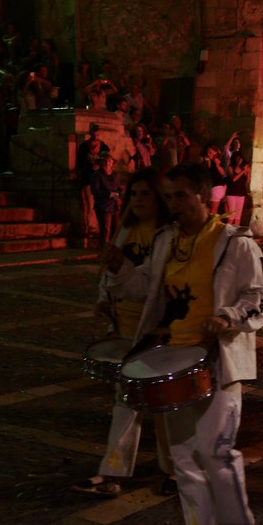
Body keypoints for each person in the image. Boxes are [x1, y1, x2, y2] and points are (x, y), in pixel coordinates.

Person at [101, 162, 263, 525]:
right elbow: (145, 286)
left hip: (216, 361)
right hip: (170, 362)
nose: (173, 204)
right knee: (182, 455)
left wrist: (227, 317)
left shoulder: (234, 242)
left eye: (180, 196)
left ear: (203, 197)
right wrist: (120, 269)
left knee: (217, 451)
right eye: (170, 197)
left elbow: (262, 293)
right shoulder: (166, 241)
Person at [74, 168, 176, 498]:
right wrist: (104, 299)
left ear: (160, 197)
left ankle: (176, 470)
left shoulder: (167, 235)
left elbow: (150, 287)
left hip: (157, 330)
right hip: (126, 327)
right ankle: (112, 472)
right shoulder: (126, 230)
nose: (137, 200)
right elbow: (110, 271)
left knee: (163, 403)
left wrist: (120, 269)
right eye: (133, 194)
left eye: (145, 194)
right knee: (126, 400)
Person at [76, 124, 109, 236]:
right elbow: (79, 163)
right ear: (90, 133)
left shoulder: (104, 147)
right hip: (88, 178)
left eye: (97, 134)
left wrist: (100, 163)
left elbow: (108, 162)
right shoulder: (84, 147)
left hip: (100, 179)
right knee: (89, 204)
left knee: (99, 204)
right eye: (94, 133)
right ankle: (90, 227)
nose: (96, 135)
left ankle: (98, 227)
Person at [90, 154, 123, 248]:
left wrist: (117, 195)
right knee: (106, 230)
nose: (108, 163)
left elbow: (119, 188)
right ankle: (104, 251)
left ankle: (115, 250)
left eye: (110, 161)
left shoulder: (115, 175)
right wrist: (109, 194)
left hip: (114, 206)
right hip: (104, 206)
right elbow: (95, 191)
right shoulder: (96, 176)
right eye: (105, 161)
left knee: (116, 229)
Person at [224, 152, 250, 225]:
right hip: (232, 193)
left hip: (241, 193)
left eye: (240, 158)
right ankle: (227, 234)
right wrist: (243, 171)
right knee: (231, 216)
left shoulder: (243, 168)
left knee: (238, 217)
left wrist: (248, 172)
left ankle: (235, 234)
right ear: (234, 159)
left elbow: (247, 181)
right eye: (237, 158)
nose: (239, 160)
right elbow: (234, 179)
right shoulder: (230, 167)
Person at [203, 144, 227, 215]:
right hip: (212, 187)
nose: (208, 154)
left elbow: (223, 173)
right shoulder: (209, 162)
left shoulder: (218, 161)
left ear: (215, 152)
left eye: (210, 152)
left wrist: (217, 165)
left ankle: (214, 225)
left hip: (217, 187)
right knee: (209, 209)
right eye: (208, 152)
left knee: (213, 210)